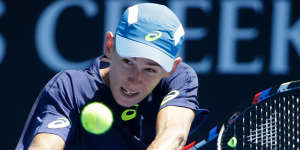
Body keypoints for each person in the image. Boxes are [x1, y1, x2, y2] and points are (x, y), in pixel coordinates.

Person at [15, 3, 208, 150]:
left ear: (171, 68)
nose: (134, 79)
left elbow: (173, 133)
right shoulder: (70, 87)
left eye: (150, 69)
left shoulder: (179, 79)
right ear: (109, 46)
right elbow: (44, 145)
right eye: (128, 62)